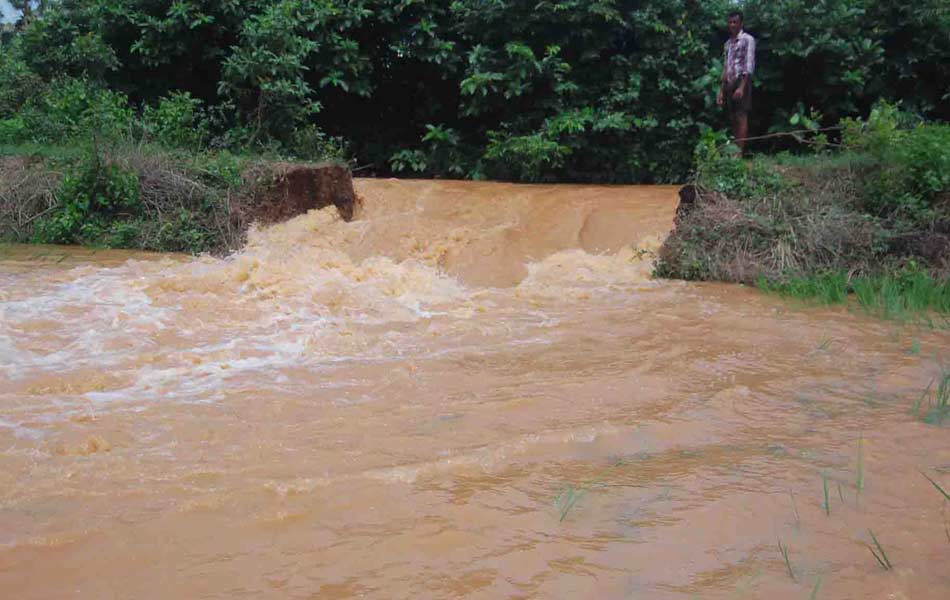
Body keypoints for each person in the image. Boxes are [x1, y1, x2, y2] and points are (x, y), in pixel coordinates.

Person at [717, 11, 756, 154]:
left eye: (735, 22)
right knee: (732, 117)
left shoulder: (747, 40)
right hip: (729, 82)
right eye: (730, 22)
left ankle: (739, 153)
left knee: (741, 116)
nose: (732, 25)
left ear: (741, 23)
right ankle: (734, 150)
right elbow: (726, 67)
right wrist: (721, 90)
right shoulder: (727, 44)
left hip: (741, 81)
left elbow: (749, 64)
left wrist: (742, 87)